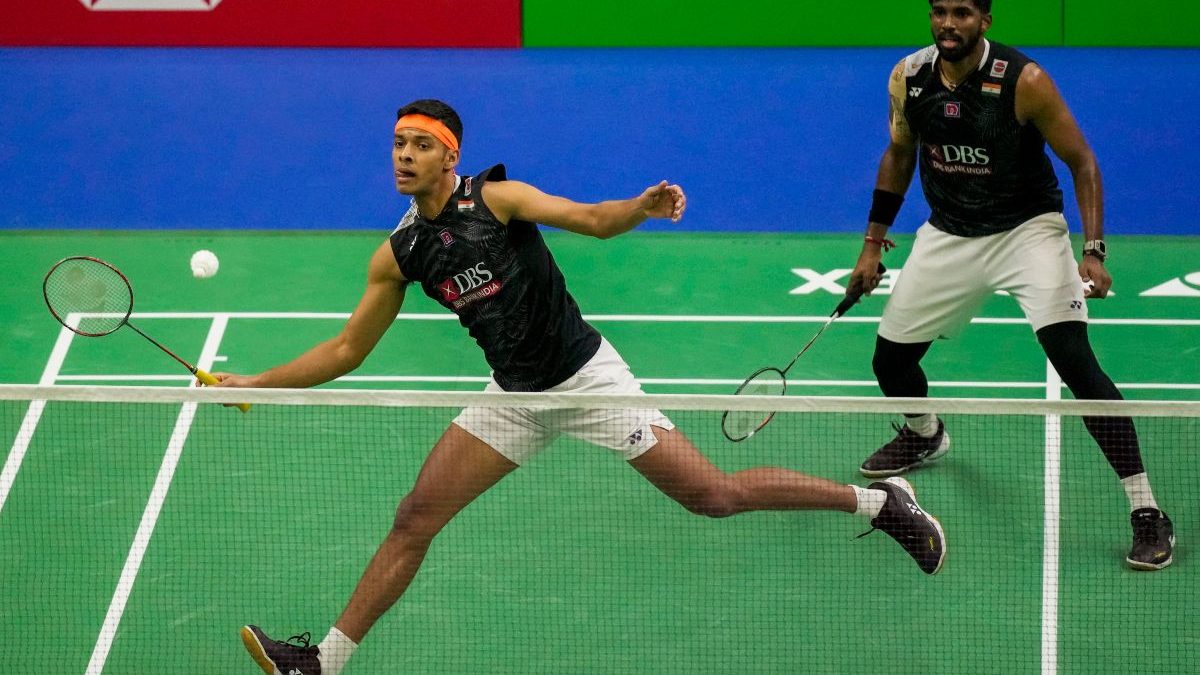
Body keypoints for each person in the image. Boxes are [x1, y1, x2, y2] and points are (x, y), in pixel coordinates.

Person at [223, 99, 947, 675]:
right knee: (416, 515)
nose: (402, 157)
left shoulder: (497, 198)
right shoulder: (401, 252)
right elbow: (349, 348)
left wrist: (639, 206)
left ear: (451, 154)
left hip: (589, 379)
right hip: (514, 396)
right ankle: (321, 662)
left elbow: (590, 221)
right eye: (395, 145)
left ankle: (882, 502)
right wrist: (256, 381)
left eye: (417, 144)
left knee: (713, 495)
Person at [847, 0, 1173, 570]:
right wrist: (872, 243)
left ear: (985, 21)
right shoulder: (908, 76)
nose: (949, 24)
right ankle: (925, 433)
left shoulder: (1025, 81)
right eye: (940, 12)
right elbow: (899, 154)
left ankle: (1146, 508)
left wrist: (1092, 250)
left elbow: (1083, 161)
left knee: (1075, 361)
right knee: (890, 362)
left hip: (1028, 233)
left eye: (963, 13)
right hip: (949, 233)